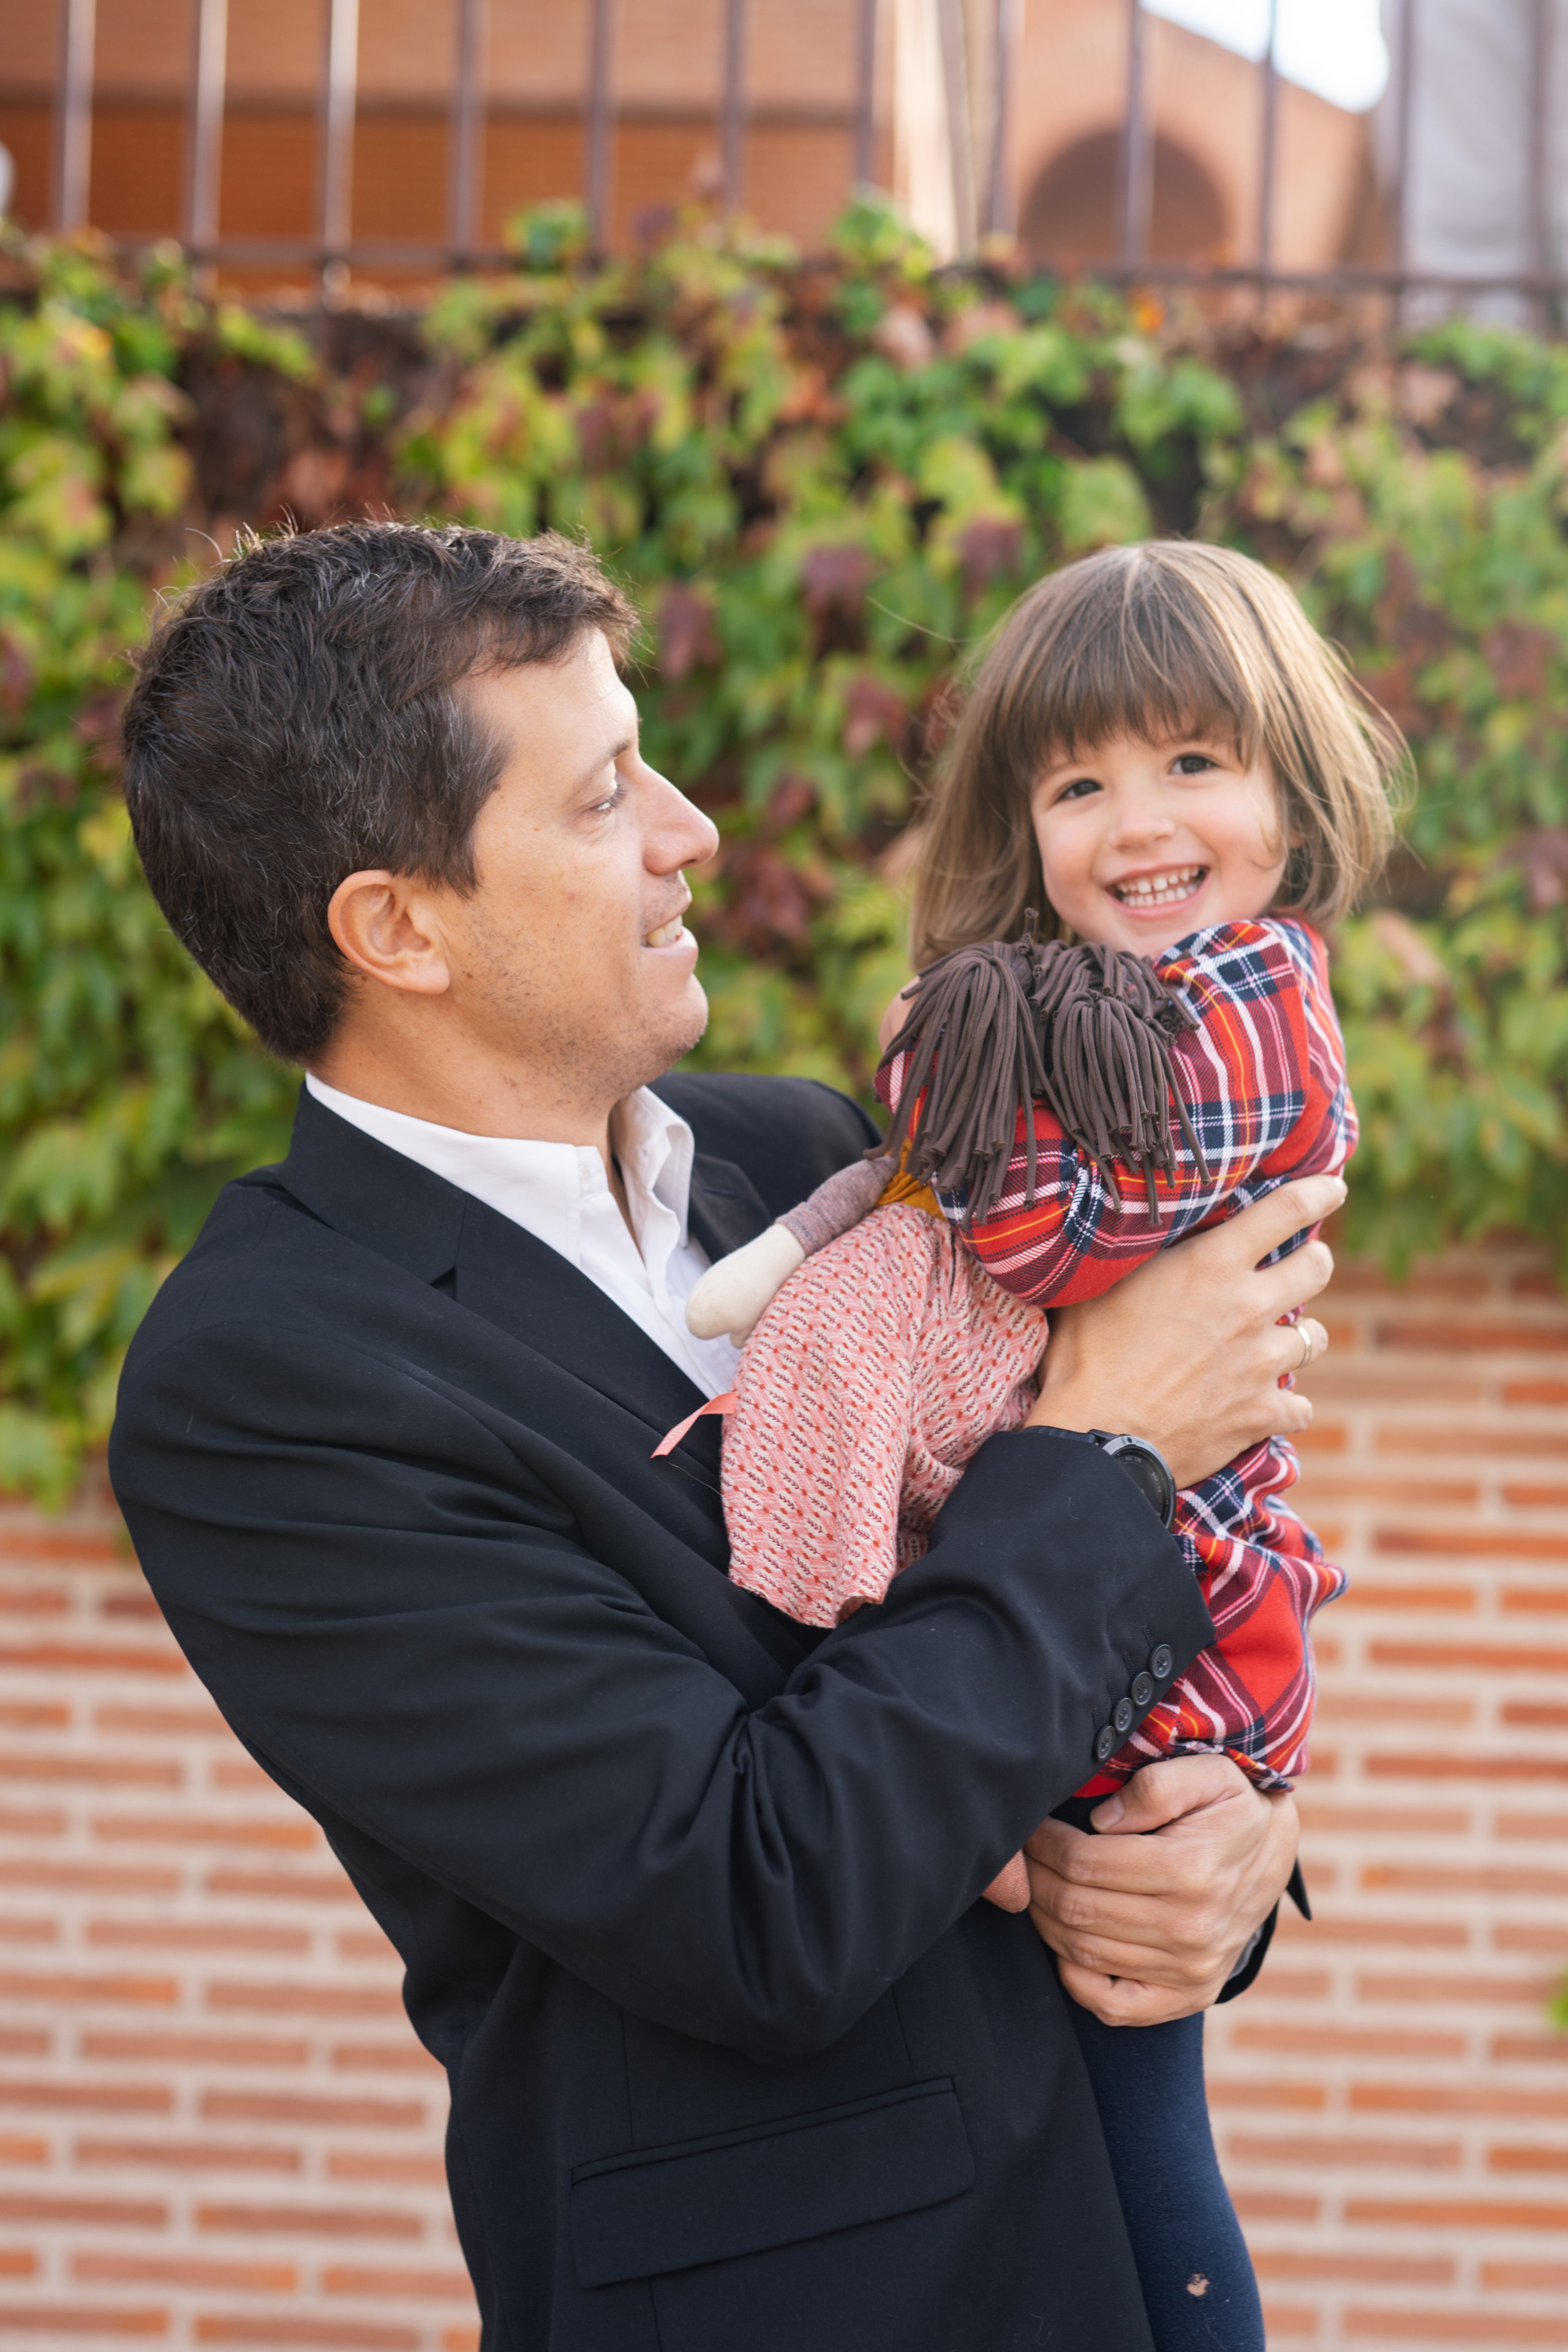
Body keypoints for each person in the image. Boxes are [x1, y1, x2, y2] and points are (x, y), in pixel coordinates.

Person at [108, 519, 1337, 2352]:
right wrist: (1105, 1443)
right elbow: (755, 1898)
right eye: (607, 797)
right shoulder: (270, 1385)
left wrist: (1225, 1840)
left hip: (1138, 2254)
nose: (693, 829)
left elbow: (1086, 1640)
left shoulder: (794, 1152)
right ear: (398, 928)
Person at [673, 541, 1400, 2350]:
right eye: (1081, 783)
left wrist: (967, 1091)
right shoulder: (1068, 1006)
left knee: (1139, 2085)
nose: (1137, 822)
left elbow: (1051, 1236)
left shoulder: (1255, 999)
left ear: (1288, 801)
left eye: (1191, 764)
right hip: (1062, 1583)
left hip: (1162, 1598)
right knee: (1083, 2076)